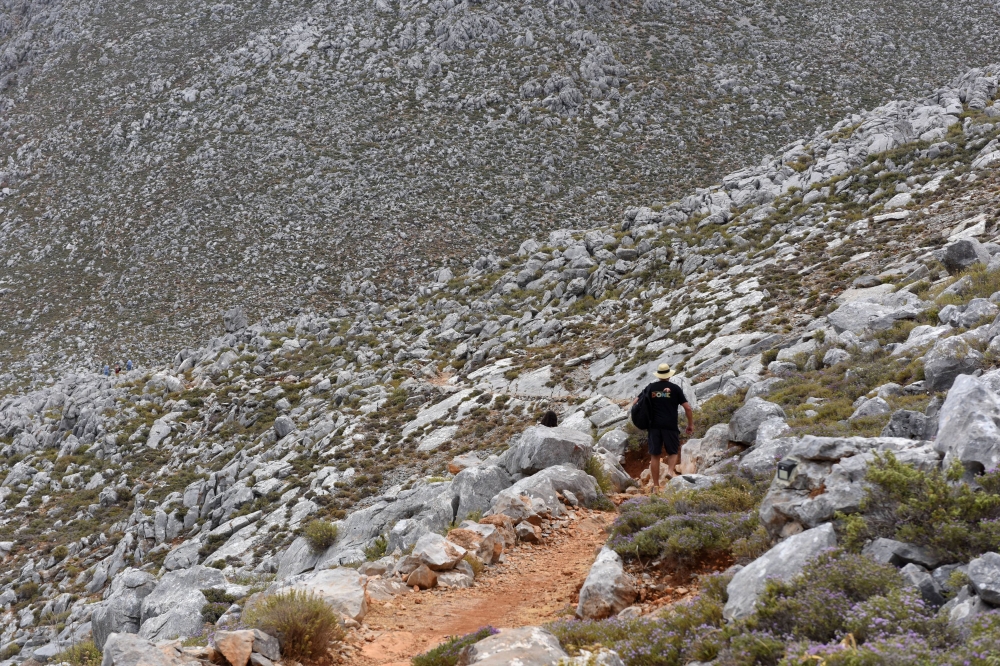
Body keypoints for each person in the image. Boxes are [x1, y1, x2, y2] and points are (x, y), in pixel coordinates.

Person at [635, 363, 694, 491]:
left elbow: (636, 402)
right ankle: (670, 471)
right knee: (673, 451)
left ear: (659, 375)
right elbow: (687, 408)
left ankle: (656, 486)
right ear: (669, 375)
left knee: (655, 455)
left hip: (654, 426)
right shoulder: (675, 389)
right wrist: (690, 424)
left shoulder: (650, 388)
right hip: (670, 426)